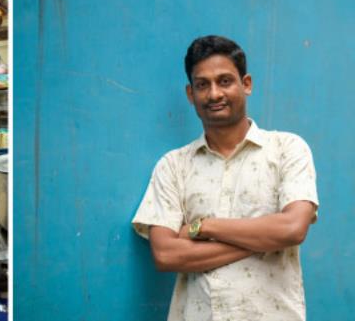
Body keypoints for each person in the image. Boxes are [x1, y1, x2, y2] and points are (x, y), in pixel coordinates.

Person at [132, 35, 318, 320]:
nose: (214, 94)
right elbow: (166, 255)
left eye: (225, 81)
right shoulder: (173, 166)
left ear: (246, 84)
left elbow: (293, 229)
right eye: (202, 84)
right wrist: (264, 239)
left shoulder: (287, 149)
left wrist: (202, 227)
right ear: (190, 94)